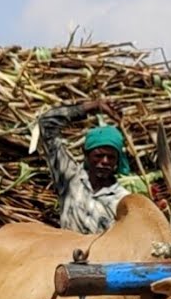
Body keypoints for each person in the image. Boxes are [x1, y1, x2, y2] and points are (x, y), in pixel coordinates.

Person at [36, 99, 132, 234]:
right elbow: (46, 123)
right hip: (65, 252)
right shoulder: (70, 178)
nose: (105, 161)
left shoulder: (123, 199)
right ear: (85, 154)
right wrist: (94, 106)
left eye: (111, 157)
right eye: (99, 156)